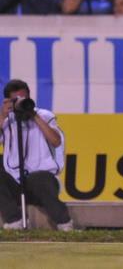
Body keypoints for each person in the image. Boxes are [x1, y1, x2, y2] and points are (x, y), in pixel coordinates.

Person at [0, 79, 73, 231]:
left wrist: (33, 115)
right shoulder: (6, 120)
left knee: (38, 178)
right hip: (15, 181)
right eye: (16, 100)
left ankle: (65, 224)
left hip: (43, 181)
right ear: (7, 101)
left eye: (24, 98)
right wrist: (2, 116)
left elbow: (56, 141)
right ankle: (15, 222)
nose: (21, 102)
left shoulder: (44, 115)